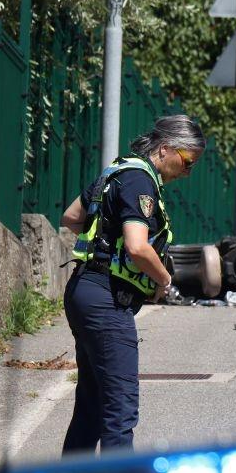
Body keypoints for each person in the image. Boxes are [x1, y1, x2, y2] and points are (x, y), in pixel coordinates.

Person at [58, 115, 204, 452]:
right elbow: (138, 247)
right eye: (187, 161)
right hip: (106, 299)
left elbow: (72, 217)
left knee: (92, 405)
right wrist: (163, 279)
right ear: (165, 148)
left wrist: (105, 245)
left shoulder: (118, 170)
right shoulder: (141, 181)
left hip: (84, 290)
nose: (187, 172)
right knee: (119, 410)